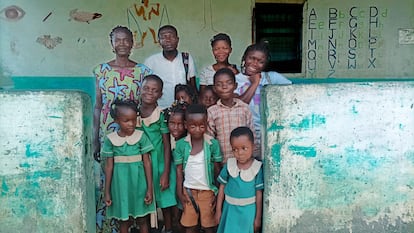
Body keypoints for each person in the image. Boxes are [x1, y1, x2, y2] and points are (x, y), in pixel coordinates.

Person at [93, 25, 153, 233]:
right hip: (108, 132)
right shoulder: (101, 71)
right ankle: (114, 224)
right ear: (111, 44)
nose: (122, 44)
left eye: (126, 40)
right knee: (110, 177)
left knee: (135, 176)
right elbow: (98, 106)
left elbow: (145, 104)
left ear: (132, 43)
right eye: (118, 40)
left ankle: (137, 220)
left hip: (134, 132)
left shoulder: (143, 71)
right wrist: (95, 139)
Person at [102, 99, 155, 233]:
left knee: (143, 219)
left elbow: (147, 163)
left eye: (133, 120)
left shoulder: (141, 136)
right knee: (124, 221)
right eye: (126, 121)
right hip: (120, 186)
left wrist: (149, 188)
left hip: (139, 184)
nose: (131, 124)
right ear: (116, 121)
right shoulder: (111, 140)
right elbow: (109, 167)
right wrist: (107, 191)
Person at [235, 42, 292, 160]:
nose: (255, 63)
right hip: (243, 130)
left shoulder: (272, 77)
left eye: (260, 61)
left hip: (267, 130)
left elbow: (292, 92)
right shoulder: (236, 80)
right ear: (245, 57)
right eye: (252, 58)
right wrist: (255, 83)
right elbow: (238, 104)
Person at [173, 104, 223, 233]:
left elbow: (218, 169)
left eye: (201, 126)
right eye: (192, 126)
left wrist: (217, 192)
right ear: (186, 125)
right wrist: (179, 192)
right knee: (190, 226)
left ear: (206, 124)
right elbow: (179, 171)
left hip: (208, 191)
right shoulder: (180, 146)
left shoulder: (213, 144)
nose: (197, 130)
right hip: (188, 191)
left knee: (208, 226)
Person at [136, 75, 177, 233]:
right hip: (141, 166)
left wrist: (166, 172)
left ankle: (168, 228)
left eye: (155, 91)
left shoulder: (161, 115)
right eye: (146, 88)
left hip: (160, 164)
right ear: (140, 89)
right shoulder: (134, 113)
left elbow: (167, 145)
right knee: (145, 199)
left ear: (160, 94)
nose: (149, 93)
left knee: (165, 201)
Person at [215, 127, 264, 233]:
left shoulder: (257, 168)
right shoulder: (229, 165)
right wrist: (218, 210)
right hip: (229, 210)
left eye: (244, 148)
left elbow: (259, 194)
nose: (239, 153)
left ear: (253, 147)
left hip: (248, 212)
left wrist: (258, 218)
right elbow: (222, 188)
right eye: (235, 149)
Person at [207, 68, 254, 163]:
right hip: (222, 162)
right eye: (219, 84)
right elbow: (209, 139)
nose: (224, 87)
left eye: (229, 83)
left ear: (235, 86)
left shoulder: (244, 108)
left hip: (244, 161)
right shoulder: (212, 111)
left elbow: (252, 136)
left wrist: (253, 158)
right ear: (214, 88)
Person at [144, 25, 197, 109]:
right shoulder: (150, 62)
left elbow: (192, 86)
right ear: (159, 41)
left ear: (177, 40)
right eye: (164, 37)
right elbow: (145, 89)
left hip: (182, 109)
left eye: (171, 36)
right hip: (159, 109)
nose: (168, 40)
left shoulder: (186, 58)